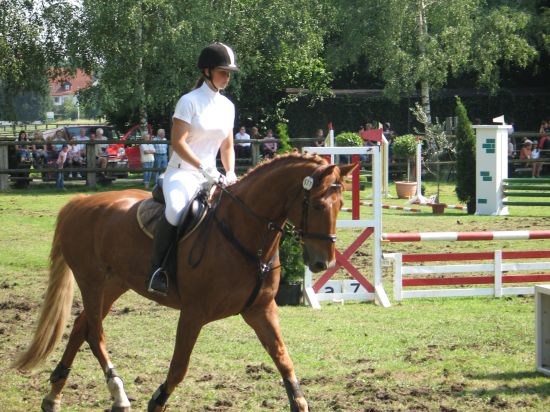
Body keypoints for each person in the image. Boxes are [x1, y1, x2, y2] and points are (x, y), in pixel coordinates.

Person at [146, 42, 239, 295]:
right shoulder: (188, 102)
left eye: (229, 73)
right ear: (207, 71)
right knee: (176, 210)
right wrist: (202, 167)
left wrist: (230, 172)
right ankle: (158, 270)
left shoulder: (228, 107)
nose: (227, 77)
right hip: (182, 173)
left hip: (213, 176)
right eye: (222, 72)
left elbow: (227, 146)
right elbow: (178, 142)